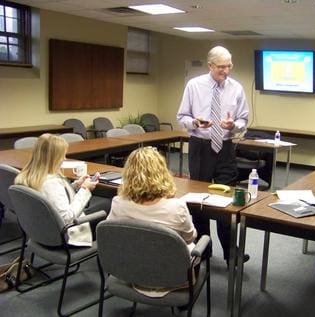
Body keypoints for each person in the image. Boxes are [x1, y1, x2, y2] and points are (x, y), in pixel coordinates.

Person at [177, 45, 250, 265]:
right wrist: (195, 122)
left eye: (229, 66)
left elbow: (244, 120)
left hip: (225, 148)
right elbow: (182, 116)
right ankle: (204, 251)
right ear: (210, 66)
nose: (226, 71)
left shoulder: (236, 88)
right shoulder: (194, 85)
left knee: (226, 201)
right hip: (200, 145)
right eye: (221, 67)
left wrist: (233, 125)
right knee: (199, 200)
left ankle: (231, 253)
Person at [107, 147, 197, 297]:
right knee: (199, 246)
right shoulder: (176, 207)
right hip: (171, 277)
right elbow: (190, 238)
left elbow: (112, 234)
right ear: (163, 172)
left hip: (131, 271)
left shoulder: (118, 203)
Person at [14, 133, 111, 246]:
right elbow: (67, 218)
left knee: (106, 205)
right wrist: (85, 189)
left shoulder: (29, 175)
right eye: (62, 156)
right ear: (53, 158)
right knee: (111, 204)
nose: (64, 159)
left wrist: (75, 186)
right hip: (67, 235)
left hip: (41, 230)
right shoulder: (50, 183)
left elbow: (53, 198)